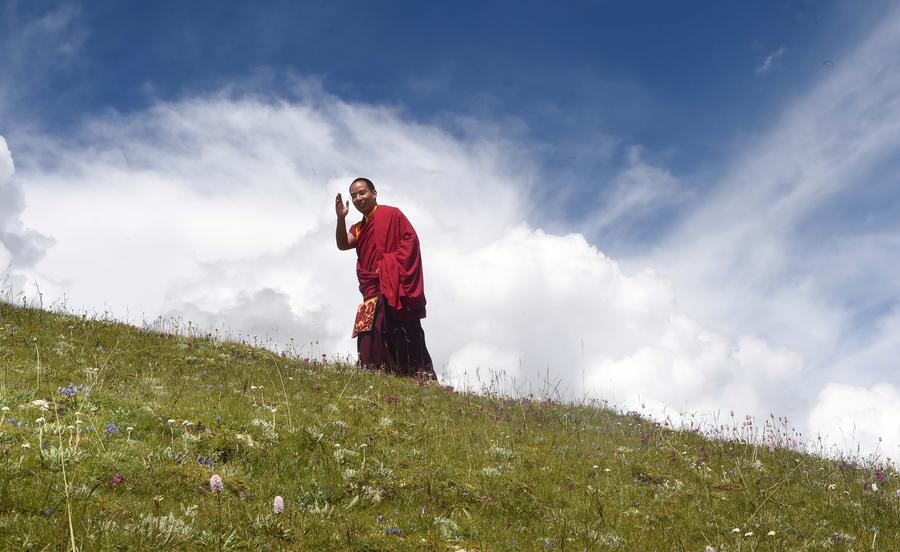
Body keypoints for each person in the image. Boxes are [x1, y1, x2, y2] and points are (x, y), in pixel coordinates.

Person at [335, 177, 435, 379]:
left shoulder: (392, 214)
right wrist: (340, 218)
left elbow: (410, 240)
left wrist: (388, 265)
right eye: (354, 196)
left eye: (362, 192)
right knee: (368, 331)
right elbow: (343, 244)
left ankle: (417, 374)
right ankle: (373, 373)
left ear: (374, 193)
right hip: (372, 286)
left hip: (393, 282)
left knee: (403, 328)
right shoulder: (359, 227)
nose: (358, 198)